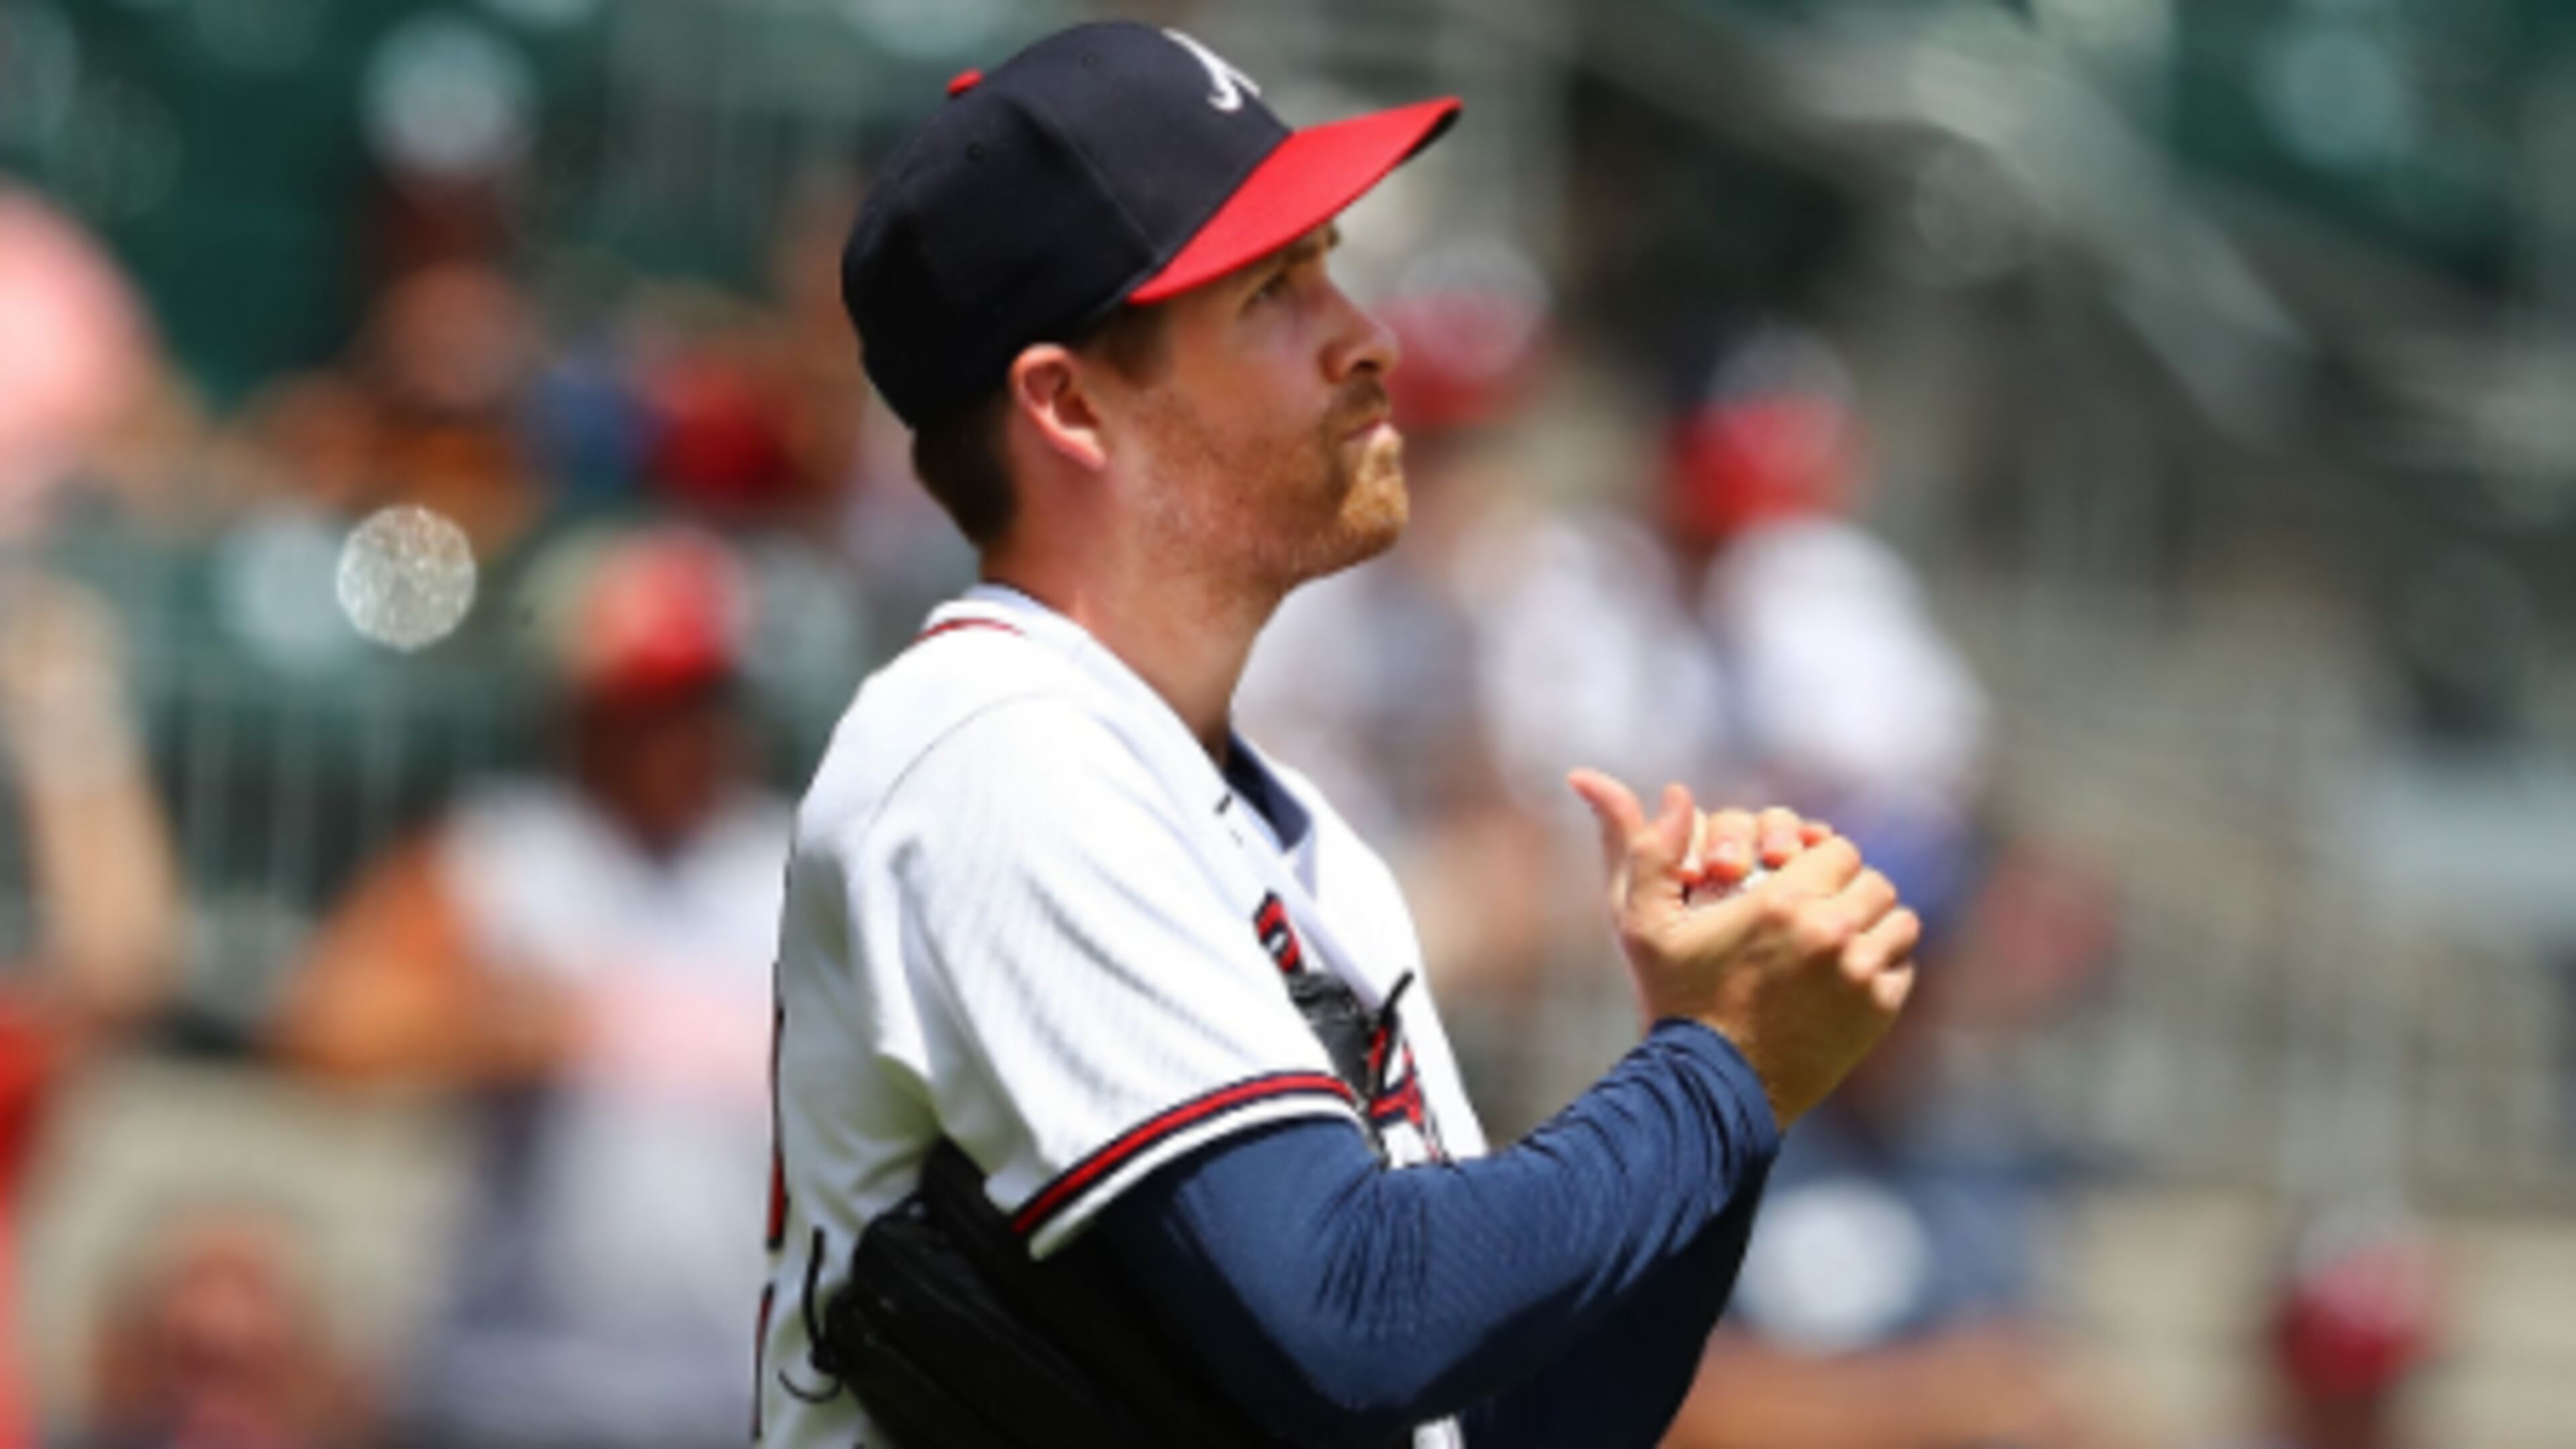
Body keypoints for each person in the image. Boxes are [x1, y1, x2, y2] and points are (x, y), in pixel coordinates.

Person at [764, 22, 1921, 1448]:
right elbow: (1357, 1318)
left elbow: (1503, 1427)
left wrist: (1736, 1081)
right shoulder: (995, 748)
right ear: (1071, 406)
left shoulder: (1300, 845)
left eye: (1330, 264)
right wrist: (1715, 1067)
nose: (1367, 336)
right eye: (1274, 288)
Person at [274, 527, 785, 1449]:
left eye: (697, 704)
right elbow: (324, 1027)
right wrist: (486, 1022)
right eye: (646, 706)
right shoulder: (507, 856)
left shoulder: (797, 868)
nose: (676, 736)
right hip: (512, 1395)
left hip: (738, 1400)